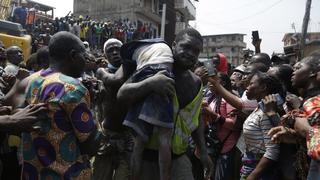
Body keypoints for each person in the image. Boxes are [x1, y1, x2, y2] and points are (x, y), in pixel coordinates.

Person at [117, 28, 213, 180]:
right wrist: (150, 83)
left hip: (179, 158)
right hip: (145, 159)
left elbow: (196, 119)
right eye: (186, 47)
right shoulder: (155, 68)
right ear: (174, 45)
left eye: (196, 51)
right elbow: (122, 94)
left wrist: (203, 152)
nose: (191, 54)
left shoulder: (196, 83)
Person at [20, 31, 103, 179]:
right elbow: (91, 144)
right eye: (84, 56)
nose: (85, 61)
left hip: (35, 173)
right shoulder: (72, 88)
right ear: (73, 56)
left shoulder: (34, 81)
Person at [119, 39, 175, 180]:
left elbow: (119, 82)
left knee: (138, 143)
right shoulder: (159, 45)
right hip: (162, 70)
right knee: (165, 138)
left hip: (142, 73)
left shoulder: (135, 55)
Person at [269, 52, 320, 180]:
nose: (293, 72)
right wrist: (295, 135)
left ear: (313, 72)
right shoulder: (307, 100)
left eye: (298, 68)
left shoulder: (314, 101)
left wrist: (306, 129)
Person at [93, 38, 133, 180]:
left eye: (118, 49)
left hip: (128, 137)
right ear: (105, 55)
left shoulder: (133, 71)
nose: (115, 52)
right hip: (107, 135)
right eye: (110, 50)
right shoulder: (101, 75)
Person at [236, 72, 284, 179]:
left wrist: (252, 177)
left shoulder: (267, 113)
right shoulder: (260, 108)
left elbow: (272, 151)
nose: (247, 88)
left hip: (259, 172)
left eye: (251, 84)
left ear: (263, 87)